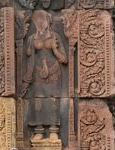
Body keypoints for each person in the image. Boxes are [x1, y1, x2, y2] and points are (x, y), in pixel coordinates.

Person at [22, 10, 67, 142]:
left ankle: (53, 129)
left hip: (54, 73)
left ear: (48, 21)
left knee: (53, 100)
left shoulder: (55, 36)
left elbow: (64, 59)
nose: (41, 23)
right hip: (37, 73)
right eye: (38, 21)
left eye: (43, 20)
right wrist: (30, 50)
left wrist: (54, 49)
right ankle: (39, 130)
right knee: (38, 100)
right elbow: (28, 56)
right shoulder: (32, 38)